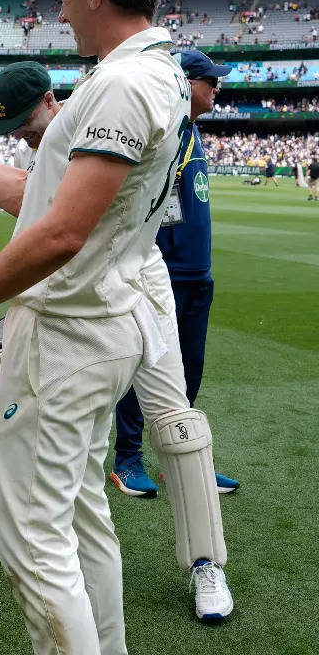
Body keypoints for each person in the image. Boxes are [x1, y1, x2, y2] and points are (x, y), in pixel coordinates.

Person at [0, 0, 203, 650]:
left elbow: (61, 233)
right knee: (79, 518)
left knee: (36, 543)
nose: (61, 11)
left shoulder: (122, 85)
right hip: (107, 316)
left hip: (69, 331)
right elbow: (39, 199)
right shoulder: (153, 75)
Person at [113, 49, 240, 501]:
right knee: (144, 368)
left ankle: (184, 460)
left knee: (189, 373)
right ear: (186, 82)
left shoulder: (192, 134)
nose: (217, 87)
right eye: (210, 79)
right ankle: (127, 459)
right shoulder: (164, 133)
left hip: (197, 276)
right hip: (161, 274)